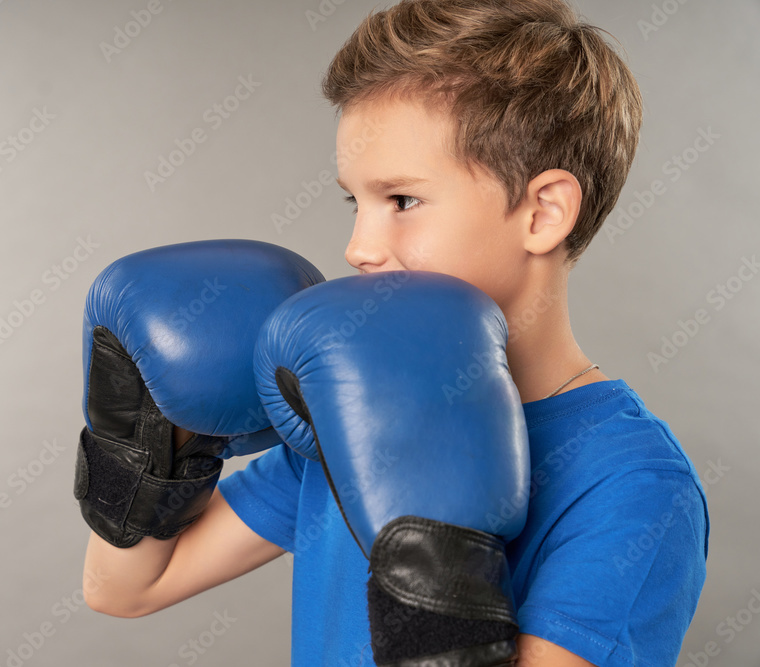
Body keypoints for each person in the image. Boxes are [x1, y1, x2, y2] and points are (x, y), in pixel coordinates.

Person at [79, 1, 709, 665]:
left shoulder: (635, 486)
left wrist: (437, 590)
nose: (359, 248)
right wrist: (150, 436)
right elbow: (125, 588)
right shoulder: (350, 409)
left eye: (402, 200)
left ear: (543, 213)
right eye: (357, 202)